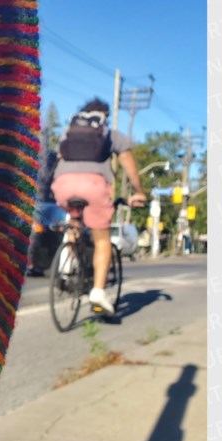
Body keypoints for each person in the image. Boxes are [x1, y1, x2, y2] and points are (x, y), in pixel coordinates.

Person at [50, 98, 147, 314]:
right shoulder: (110, 134)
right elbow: (128, 163)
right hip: (93, 186)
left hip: (62, 185)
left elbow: (57, 159)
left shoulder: (67, 133)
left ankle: (68, 261)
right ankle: (98, 293)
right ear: (104, 116)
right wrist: (139, 191)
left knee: (75, 221)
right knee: (102, 239)